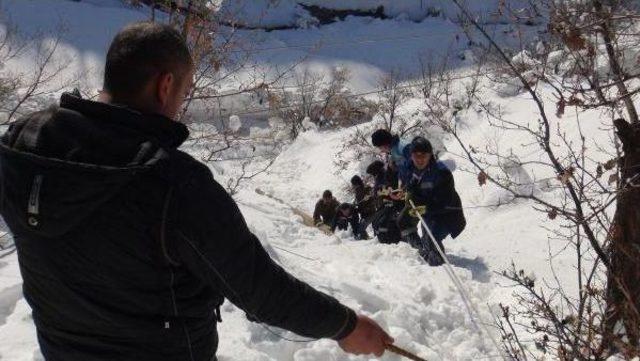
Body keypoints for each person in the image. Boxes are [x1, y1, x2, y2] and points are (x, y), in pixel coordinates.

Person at [0, 22, 393, 361]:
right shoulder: (173, 182)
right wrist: (346, 325)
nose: (181, 105)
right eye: (185, 92)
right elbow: (259, 288)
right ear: (165, 85)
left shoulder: (22, 145)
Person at [399, 136, 466, 266]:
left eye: (424, 155)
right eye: (416, 155)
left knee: (431, 238)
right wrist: (407, 193)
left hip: (447, 213)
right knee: (403, 221)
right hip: (424, 209)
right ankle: (421, 250)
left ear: (430, 156)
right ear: (411, 155)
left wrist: (425, 208)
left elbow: (446, 201)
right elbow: (409, 184)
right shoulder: (411, 169)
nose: (420, 159)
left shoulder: (441, 173)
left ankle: (437, 264)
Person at [366, 160, 403, 244]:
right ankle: (383, 241)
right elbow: (377, 190)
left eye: (373, 173)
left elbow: (391, 188)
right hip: (383, 204)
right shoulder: (378, 178)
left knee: (384, 222)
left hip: (391, 203)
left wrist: (384, 191)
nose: (372, 176)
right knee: (377, 222)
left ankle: (389, 242)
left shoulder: (385, 176)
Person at [350, 175, 376, 240]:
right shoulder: (357, 191)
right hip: (364, 214)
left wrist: (362, 207)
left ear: (356, 184)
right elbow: (359, 202)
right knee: (360, 230)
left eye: (353, 184)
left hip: (370, 213)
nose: (352, 186)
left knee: (362, 229)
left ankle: (375, 238)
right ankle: (367, 237)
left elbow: (372, 200)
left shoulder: (366, 189)